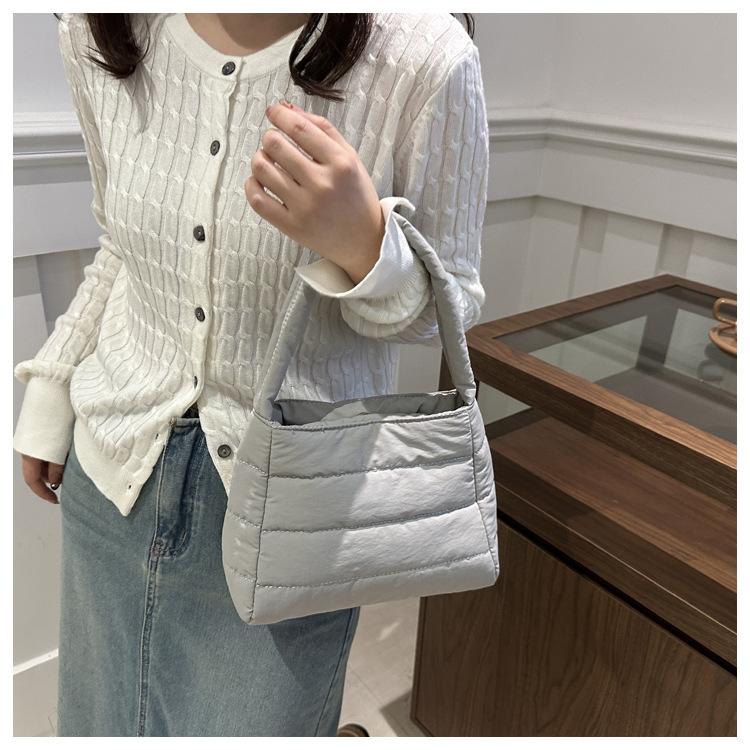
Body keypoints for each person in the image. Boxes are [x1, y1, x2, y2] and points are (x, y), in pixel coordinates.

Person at [12, 11, 489, 737]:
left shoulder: (424, 55)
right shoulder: (101, 30)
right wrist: (52, 388)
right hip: (109, 477)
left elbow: (448, 305)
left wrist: (366, 246)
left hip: (299, 509)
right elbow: (120, 246)